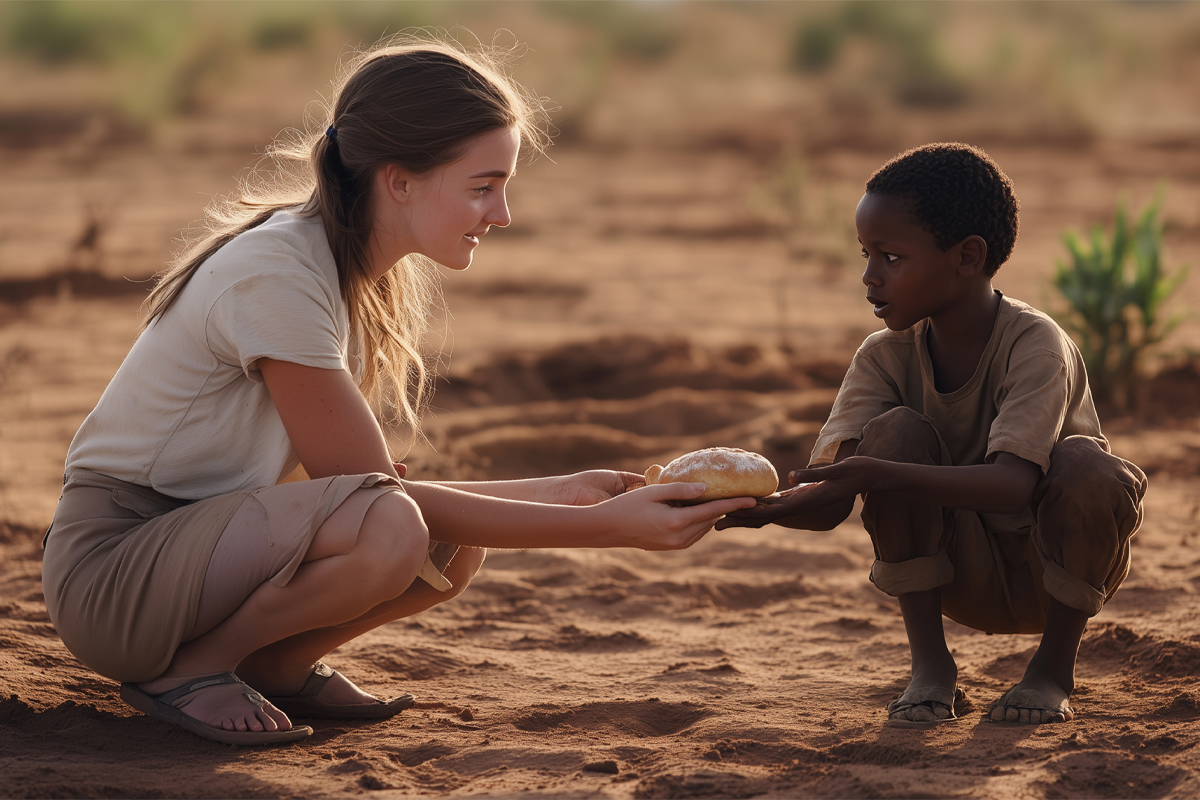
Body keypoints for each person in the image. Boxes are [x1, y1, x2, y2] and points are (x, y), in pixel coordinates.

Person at [41, 38, 757, 746]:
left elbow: (376, 494)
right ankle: (195, 669)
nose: (501, 213)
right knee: (395, 527)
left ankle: (277, 663)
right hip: (116, 572)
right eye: (482, 186)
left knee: (448, 546)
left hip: (202, 551)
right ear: (400, 180)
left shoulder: (346, 265)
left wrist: (564, 491)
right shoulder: (279, 271)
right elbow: (371, 497)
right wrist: (606, 527)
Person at [720, 143, 1147, 725]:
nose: (869, 276)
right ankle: (931, 667)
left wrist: (877, 473)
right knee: (892, 433)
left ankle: (1052, 671)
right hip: (952, 571)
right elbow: (830, 502)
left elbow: (1012, 487)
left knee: (1086, 466)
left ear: (968, 257)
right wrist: (761, 508)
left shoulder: (1036, 344)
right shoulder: (882, 357)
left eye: (891, 257)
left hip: (1055, 569)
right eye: (865, 254)